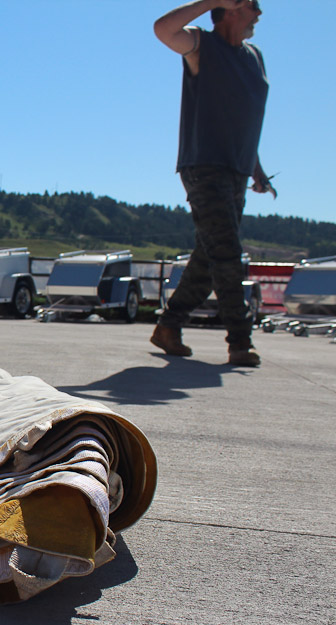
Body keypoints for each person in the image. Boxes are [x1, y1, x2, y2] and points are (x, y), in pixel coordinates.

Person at [151, 0, 275, 367]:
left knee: (209, 258)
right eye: (253, 5)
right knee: (226, 253)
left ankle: (168, 325)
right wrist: (209, 1)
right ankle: (239, 340)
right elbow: (163, 30)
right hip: (205, 167)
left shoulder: (254, 56)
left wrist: (256, 166)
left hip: (236, 167)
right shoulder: (203, 46)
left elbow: (244, 118)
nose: (259, 13)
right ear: (231, 9)